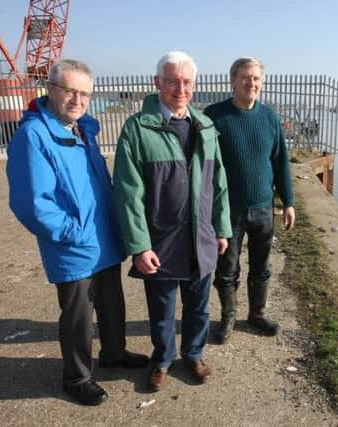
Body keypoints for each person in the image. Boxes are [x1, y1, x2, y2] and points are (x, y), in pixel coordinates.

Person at [6, 59, 149, 407]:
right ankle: (78, 377)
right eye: (70, 91)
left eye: (84, 93)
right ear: (51, 89)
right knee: (78, 316)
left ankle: (114, 353)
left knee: (112, 302)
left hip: (103, 238)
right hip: (74, 243)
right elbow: (32, 204)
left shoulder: (83, 130)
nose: (78, 99)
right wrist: (73, 232)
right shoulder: (34, 136)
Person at [113, 51, 231, 392]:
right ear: (157, 83)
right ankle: (162, 360)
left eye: (186, 82)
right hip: (161, 241)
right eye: (172, 81)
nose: (180, 89)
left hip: (202, 238)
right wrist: (139, 245)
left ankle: (193, 355)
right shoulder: (138, 129)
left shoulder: (206, 126)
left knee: (199, 307)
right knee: (162, 311)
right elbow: (127, 193)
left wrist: (221, 228)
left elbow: (218, 183)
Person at [204, 57, 295, 344]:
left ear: (261, 82)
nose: (250, 83)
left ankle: (257, 313)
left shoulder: (269, 118)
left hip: (263, 208)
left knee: (262, 265)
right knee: (226, 267)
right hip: (228, 210)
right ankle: (228, 316)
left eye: (255, 78)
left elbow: (280, 162)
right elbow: (204, 164)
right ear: (232, 80)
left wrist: (288, 201)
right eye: (244, 77)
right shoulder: (215, 116)